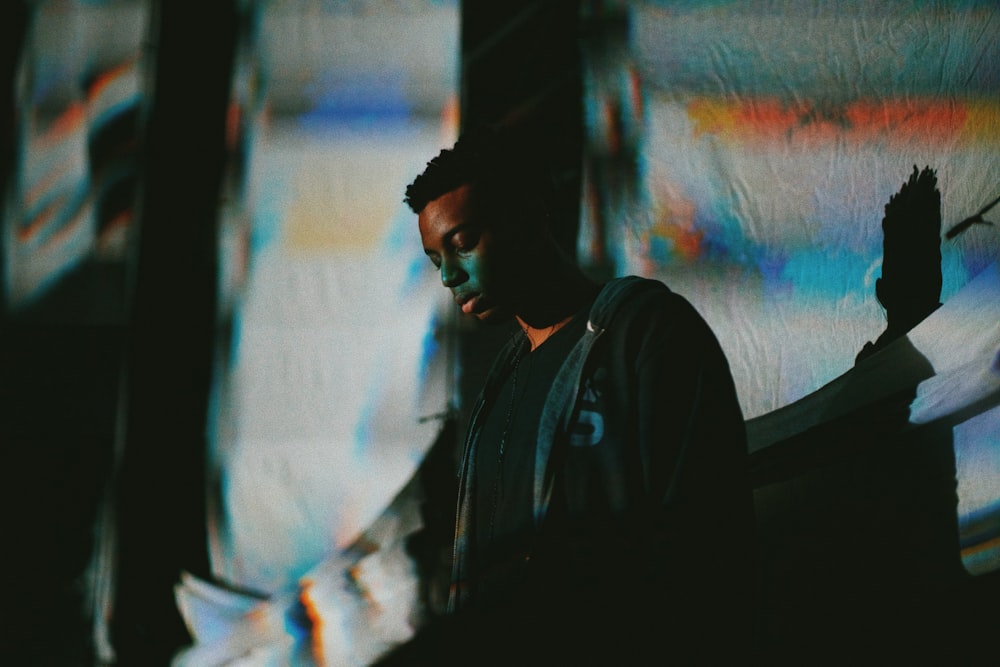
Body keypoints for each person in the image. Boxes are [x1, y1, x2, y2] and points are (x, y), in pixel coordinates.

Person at [378, 126, 756, 665]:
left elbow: (706, 543)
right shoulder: (497, 392)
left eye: (462, 243)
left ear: (532, 215)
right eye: (437, 259)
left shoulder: (644, 334)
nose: (449, 276)